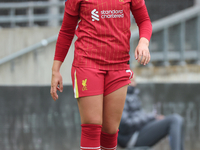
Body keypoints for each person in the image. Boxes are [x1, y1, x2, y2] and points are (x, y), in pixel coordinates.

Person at [50, 0, 152, 149]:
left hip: (119, 65)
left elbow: (144, 20)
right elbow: (66, 30)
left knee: (110, 130)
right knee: (92, 124)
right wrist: (55, 70)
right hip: (87, 64)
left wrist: (143, 42)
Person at [118, 77, 184, 150]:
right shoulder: (121, 96)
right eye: (132, 81)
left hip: (140, 131)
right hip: (132, 137)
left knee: (178, 120)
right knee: (174, 119)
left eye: (134, 81)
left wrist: (153, 118)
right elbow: (126, 124)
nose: (134, 84)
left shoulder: (132, 95)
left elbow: (139, 117)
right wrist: (151, 117)